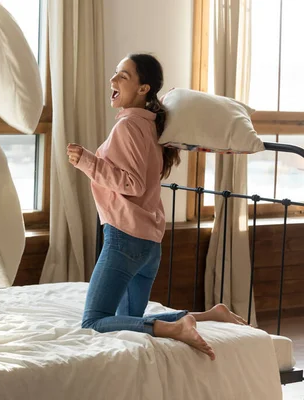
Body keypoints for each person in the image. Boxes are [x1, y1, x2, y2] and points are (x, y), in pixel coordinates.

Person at [67, 54, 246, 360]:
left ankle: (176, 328)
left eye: (123, 76)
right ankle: (209, 315)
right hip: (147, 243)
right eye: (115, 74)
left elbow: (132, 184)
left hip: (125, 240)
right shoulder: (151, 127)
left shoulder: (129, 127)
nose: (113, 81)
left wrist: (88, 161)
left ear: (142, 88)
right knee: (131, 322)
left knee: (94, 321)